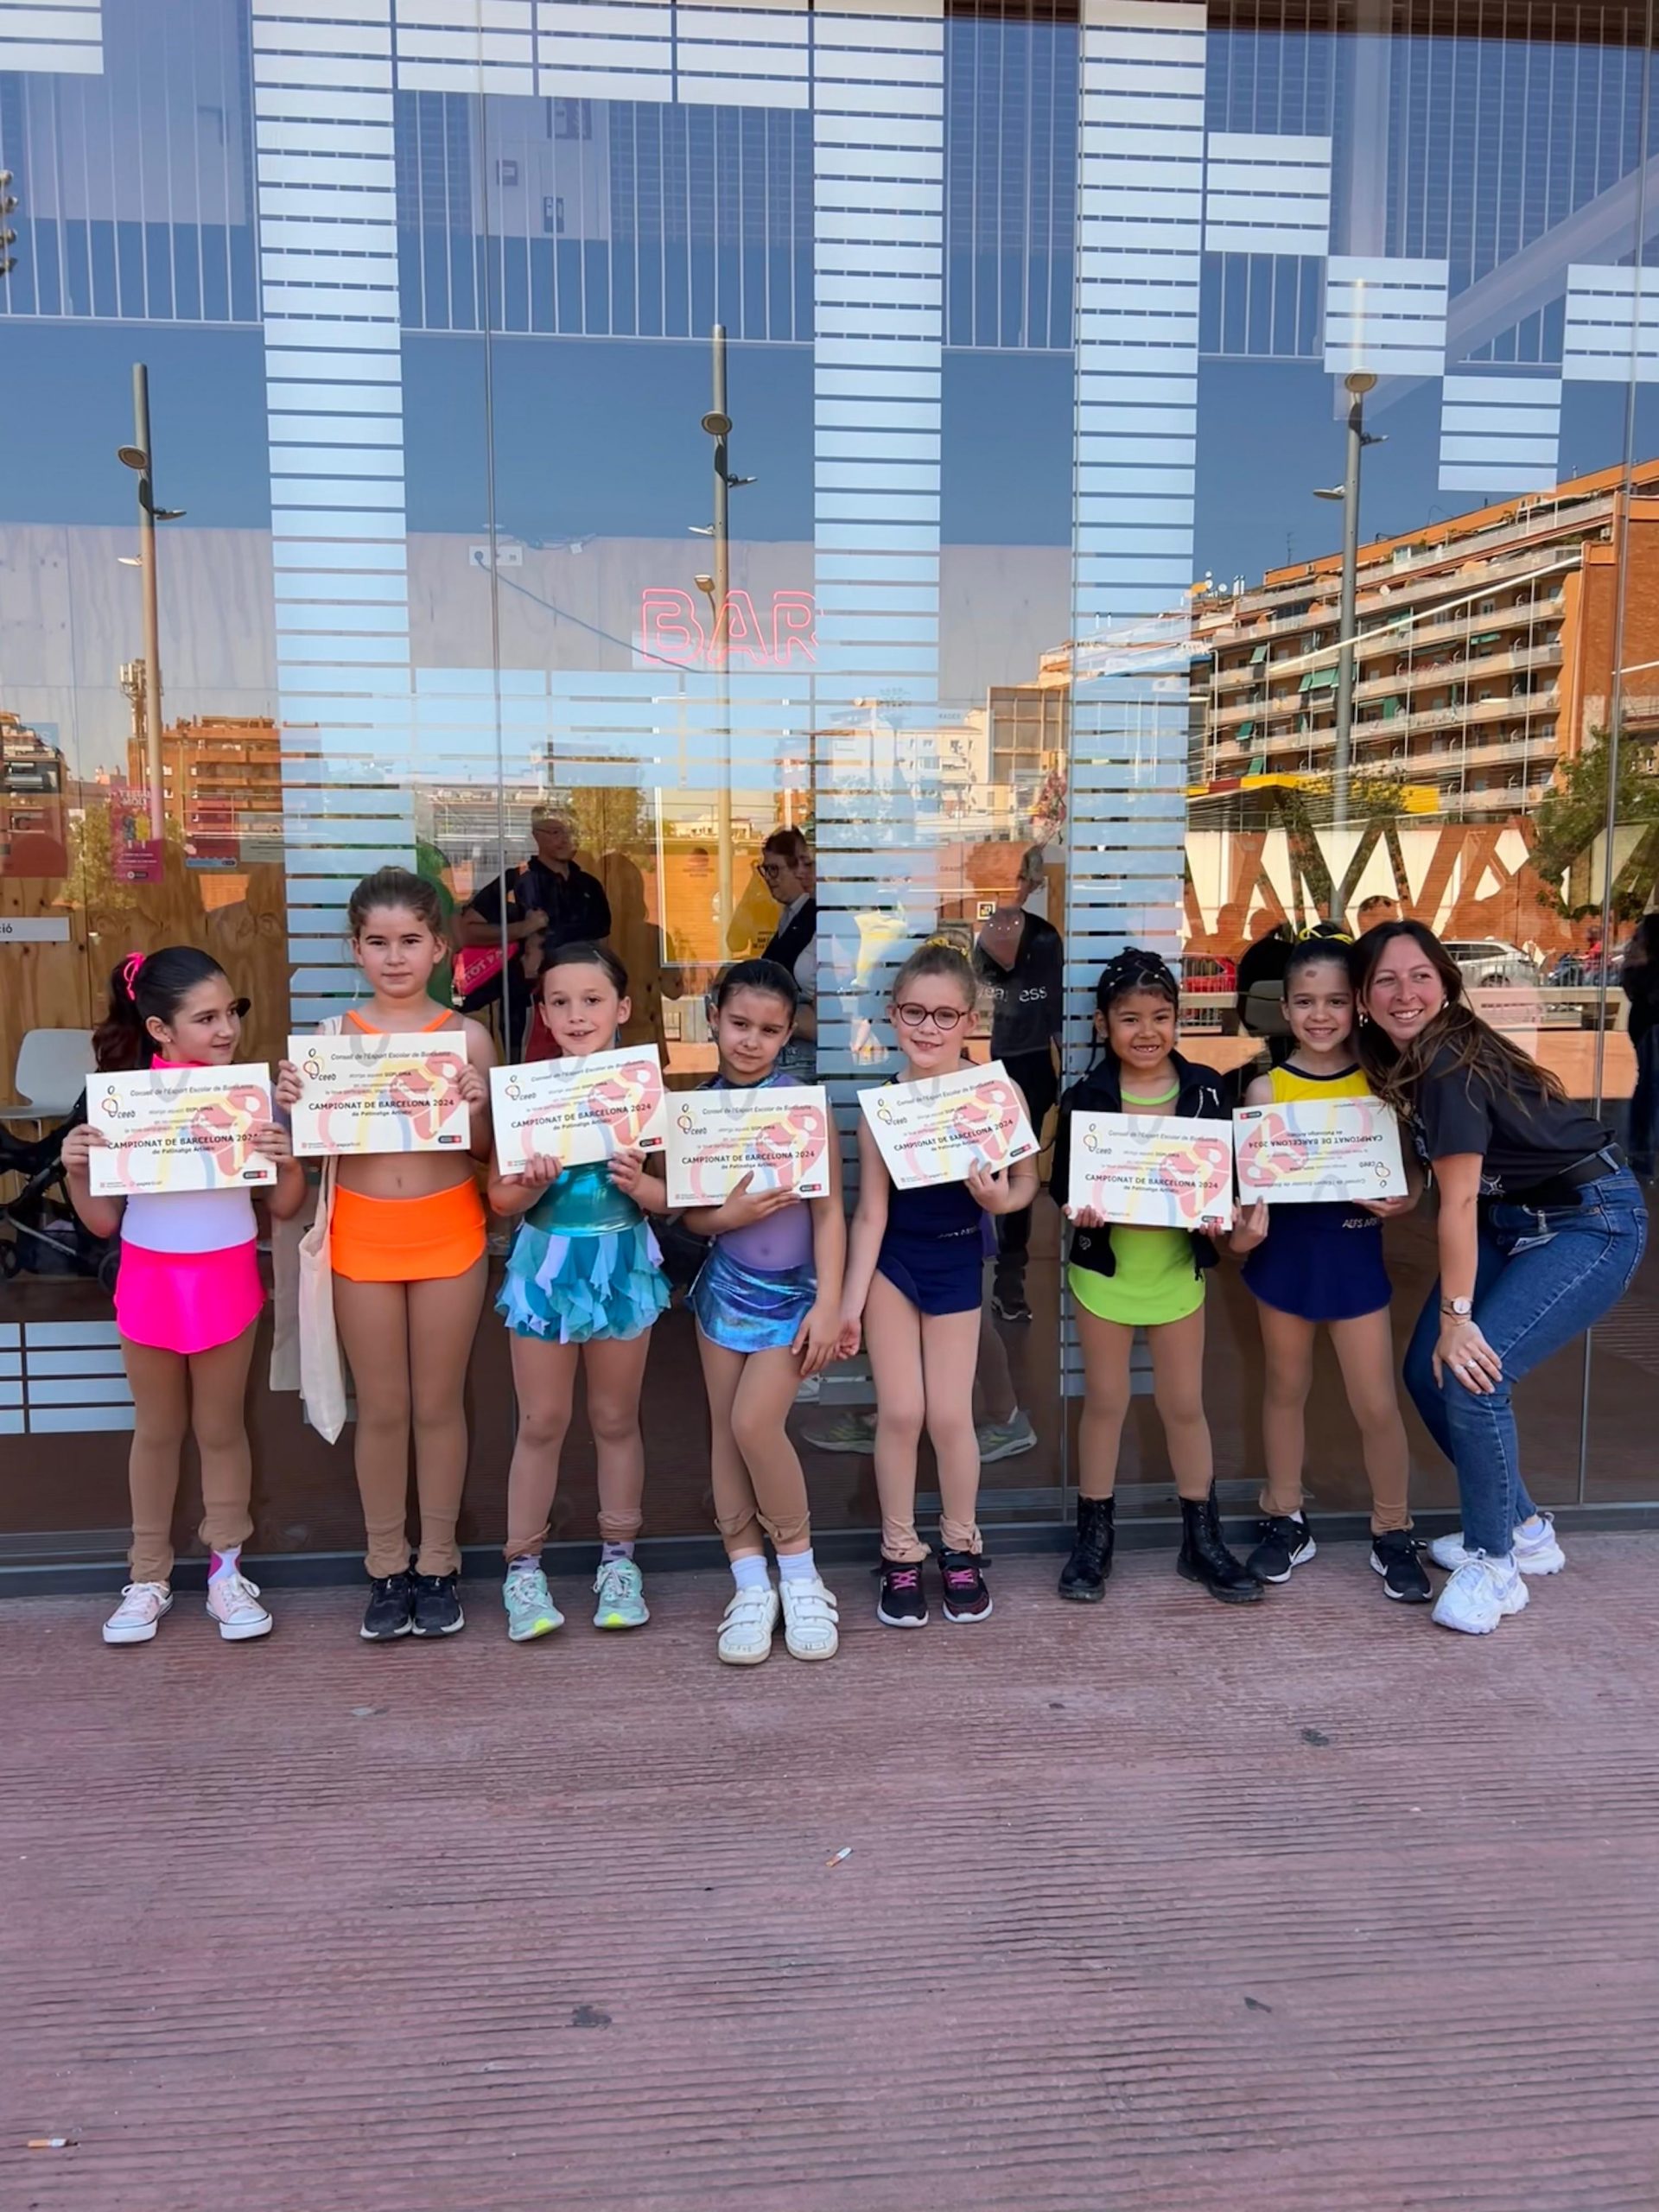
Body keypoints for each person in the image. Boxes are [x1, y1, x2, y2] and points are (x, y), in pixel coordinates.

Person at [1354, 920, 1648, 1635]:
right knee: (1429, 1374)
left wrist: (1457, 1320)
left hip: (1589, 1220)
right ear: (1363, 998)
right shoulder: (1405, 1059)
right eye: (1385, 980)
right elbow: (1449, 1175)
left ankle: (1495, 1564)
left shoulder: (1446, 1059)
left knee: (1471, 1373)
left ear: (1446, 984)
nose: (1404, 993)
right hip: (1510, 1219)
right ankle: (1524, 1531)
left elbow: (1457, 1202)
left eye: (1421, 976)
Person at [61, 949, 306, 1645]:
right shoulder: (121, 1101)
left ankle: (227, 1569)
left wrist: (286, 1160)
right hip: (148, 1277)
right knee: (158, 1430)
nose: (226, 1029)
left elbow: (285, 1205)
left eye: (231, 1012)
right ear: (160, 1030)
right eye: (205, 1018)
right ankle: (148, 1576)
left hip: (227, 1275)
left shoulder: (251, 1099)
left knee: (222, 1428)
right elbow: (103, 1222)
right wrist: (75, 1170)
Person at [276, 869, 495, 1642]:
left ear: (439, 948)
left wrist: (479, 1107)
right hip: (360, 1236)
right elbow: (309, 1156)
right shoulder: (329, 1042)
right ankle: (385, 1565)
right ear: (355, 949)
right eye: (378, 942)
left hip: (451, 1231)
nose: (394, 957)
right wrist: (293, 1106)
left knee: (438, 1405)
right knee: (383, 1408)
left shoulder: (468, 1038)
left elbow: (487, 1155)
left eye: (410, 941)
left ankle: (438, 1563)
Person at [1051, 949, 1261, 1605]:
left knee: (1184, 1404)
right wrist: (1078, 1207)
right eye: (1130, 1018)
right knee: (1106, 1402)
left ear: (1178, 1019)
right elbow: (1063, 1186)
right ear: (1102, 1025)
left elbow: (1224, 1184)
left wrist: (1223, 1215)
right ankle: (1094, 1539)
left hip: (1175, 1272)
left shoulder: (1207, 1090)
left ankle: (1202, 1540)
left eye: (1161, 1016)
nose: (1147, 1031)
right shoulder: (1085, 1098)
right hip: (1106, 1275)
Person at [837, 942, 1038, 1628]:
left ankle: (960, 1545)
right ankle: (899, 1550)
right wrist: (849, 1306)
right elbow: (870, 1213)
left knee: (952, 1417)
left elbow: (1027, 1182)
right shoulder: (881, 1107)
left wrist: (1000, 1202)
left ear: (969, 1021)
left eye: (945, 1015)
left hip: (957, 1264)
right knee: (900, 1414)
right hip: (894, 1267)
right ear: (893, 1016)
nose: (928, 1028)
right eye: (914, 1013)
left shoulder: (996, 1093)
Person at [1229, 933, 1430, 1602]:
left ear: (1358, 1007)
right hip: (1286, 1259)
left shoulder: (1381, 1082)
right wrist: (1242, 1232)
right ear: (1285, 1009)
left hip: (1353, 1256)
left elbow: (1410, 1173)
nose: (1321, 1015)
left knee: (1375, 1401)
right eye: (1307, 1002)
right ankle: (1285, 1516)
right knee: (1285, 1388)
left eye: (1336, 1001)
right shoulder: (1266, 1087)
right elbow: (1248, 1199)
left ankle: (1393, 1528)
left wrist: (1406, 1198)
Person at [489, 942, 671, 1641]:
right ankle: (523, 1568)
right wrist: (529, 1184)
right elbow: (499, 1199)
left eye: (592, 1000)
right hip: (547, 1263)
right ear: (541, 1012)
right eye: (559, 1002)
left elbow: (676, 1196)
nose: (576, 1014)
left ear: (621, 1008)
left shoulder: (645, 1092)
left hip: (622, 1257)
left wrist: (641, 1183)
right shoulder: (524, 1094)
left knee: (615, 1418)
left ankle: (620, 1561)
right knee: (541, 1420)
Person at [680, 958, 844, 1664]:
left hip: (794, 1296)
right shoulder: (696, 1109)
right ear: (714, 1018)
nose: (751, 1041)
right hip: (725, 1290)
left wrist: (830, 1302)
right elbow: (692, 1218)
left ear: (788, 1034)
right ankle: (750, 1581)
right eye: (739, 1024)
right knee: (725, 1433)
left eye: (769, 1030)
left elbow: (829, 1212)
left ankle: (801, 1574)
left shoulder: (803, 1105)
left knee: (755, 1423)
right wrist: (731, 1215)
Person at [973, 842, 1063, 1324]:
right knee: (981, 1169)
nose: (1011, 887)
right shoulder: (982, 936)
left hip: (1030, 1066)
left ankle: (1010, 1279)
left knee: (1018, 1173)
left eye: (1018, 877)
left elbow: (1056, 1011)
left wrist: (1067, 1067)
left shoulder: (1045, 938)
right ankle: (981, 1269)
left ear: (1030, 882)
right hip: (989, 1064)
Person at [456, 805, 612, 1055]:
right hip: (526, 997)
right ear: (536, 836)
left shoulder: (589, 886)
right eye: (556, 832)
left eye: (572, 832)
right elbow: (466, 932)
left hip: (582, 997)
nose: (566, 839)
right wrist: (523, 928)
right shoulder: (517, 880)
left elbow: (602, 942)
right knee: (526, 1067)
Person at [757, 828, 817, 1077]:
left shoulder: (823, 917)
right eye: (765, 870)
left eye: (775, 869)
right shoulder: (789, 917)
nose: (769, 878)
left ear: (798, 869)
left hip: (805, 1058)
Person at [1621, 912, 1659, 1179]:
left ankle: (1643, 1157)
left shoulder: (1647, 967)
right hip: (1648, 1028)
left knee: (1649, 1091)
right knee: (1649, 1089)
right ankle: (1643, 1156)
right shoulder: (1644, 965)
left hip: (1649, 1027)